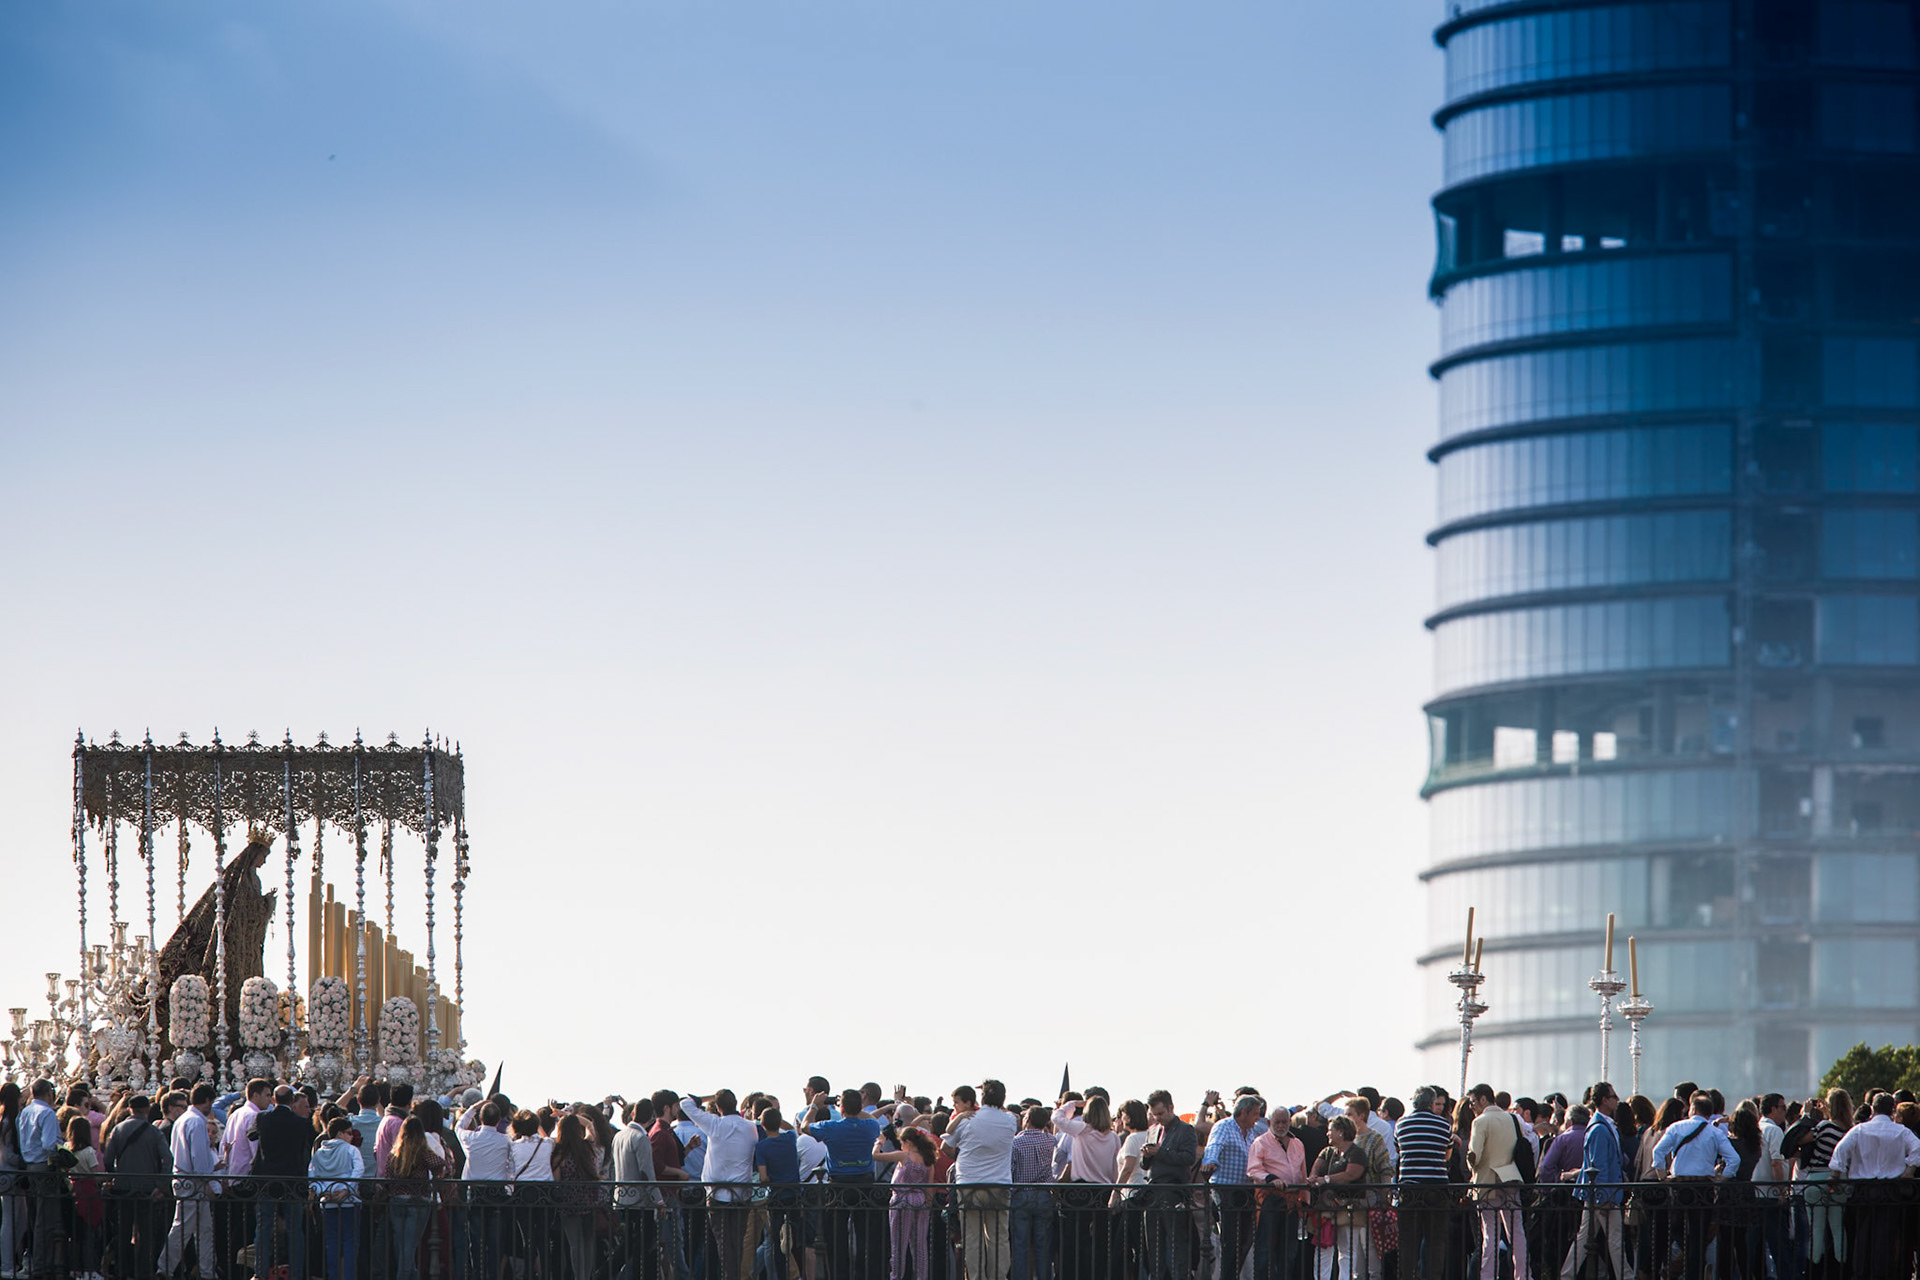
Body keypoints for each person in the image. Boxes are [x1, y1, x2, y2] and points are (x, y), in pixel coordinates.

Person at [1829, 1091, 1920, 1280]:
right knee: (1886, 1236)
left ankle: (1863, 1272)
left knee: (1863, 1235)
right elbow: (1918, 1147)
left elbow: (1840, 1150)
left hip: (1864, 1189)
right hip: (1891, 1190)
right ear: (1893, 1110)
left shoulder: (1859, 1130)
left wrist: (1835, 1174)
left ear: (1872, 1108)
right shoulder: (1901, 1131)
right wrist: (1909, 1170)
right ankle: (1884, 1272)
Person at [1650, 1091, 1738, 1280]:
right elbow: (1734, 1159)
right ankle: (1695, 1269)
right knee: (1699, 1232)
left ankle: (1688, 1262)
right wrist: (1721, 1179)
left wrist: (1661, 1175)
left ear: (1693, 1109)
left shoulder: (1677, 1127)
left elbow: (1658, 1151)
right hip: (1704, 1187)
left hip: (1680, 1185)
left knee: (1676, 1228)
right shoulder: (1714, 1132)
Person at [680, 1090, 758, 1280]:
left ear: (718, 1107)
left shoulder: (715, 1124)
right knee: (737, 1241)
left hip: (717, 1194)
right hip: (742, 1194)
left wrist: (707, 1097)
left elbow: (685, 1104)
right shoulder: (750, 1127)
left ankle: (729, 1276)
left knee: (723, 1242)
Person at [808, 1088, 886, 1280]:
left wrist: (814, 1106)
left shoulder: (831, 1127)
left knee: (837, 1237)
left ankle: (839, 1275)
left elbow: (804, 1126)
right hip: (864, 1184)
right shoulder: (869, 1126)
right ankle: (863, 1275)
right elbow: (872, 1120)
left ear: (841, 1107)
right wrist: (855, 1109)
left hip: (838, 1185)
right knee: (864, 1235)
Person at [943, 1080, 1018, 1280]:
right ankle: (998, 1277)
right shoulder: (1010, 1120)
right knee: (998, 1237)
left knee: (972, 1237)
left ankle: (976, 1277)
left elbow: (947, 1143)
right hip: (999, 1183)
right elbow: (1013, 1115)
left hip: (968, 1182)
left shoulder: (967, 1120)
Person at [102, 1094, 171, 1280]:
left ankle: (123, 1271)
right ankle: (143, 1272)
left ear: (130, 1109)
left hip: (123, 1188)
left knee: (123, 1231)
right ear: (147, 1110)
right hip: (146, 1188)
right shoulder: (153, 1132)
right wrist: (161, 1184)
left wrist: (113, 1176)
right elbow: (168, 1158)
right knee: (145, 1233)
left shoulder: (118, 1129)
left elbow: (108, 1159)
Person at [1560, 1083, 1623, 1280]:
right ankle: (1626, 1276)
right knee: (1615, 1239)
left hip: (1598, 1193)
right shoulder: (1600, 1128)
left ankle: (1567, 1275)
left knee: (1584, 1238)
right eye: (1614, 1096)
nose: (1617, 1099)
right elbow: (1598, 1166)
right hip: (1604, 1194)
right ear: (1605, 1100)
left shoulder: (1601, 1125)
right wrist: (1603, 1197)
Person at [1053, 1095, 1120, 1280]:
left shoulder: (1082, 1130)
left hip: (1080, 1190)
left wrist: (1071, 1105)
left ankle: (1072, 1275)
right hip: (1103, 1190)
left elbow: (1056, 1118)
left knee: (1074, 1239)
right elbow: (1114, 1167)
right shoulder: (1114, 1137)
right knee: (1099, 1240)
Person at [1464, 1084, 1525, 1280]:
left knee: (1490, 1233)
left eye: (1472, 1102)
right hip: (1511, 1176)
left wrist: (1470, 1165)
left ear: (1483, 1100)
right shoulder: (1512, 1118)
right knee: (1516, 1231)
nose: (1471, 1106)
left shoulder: (1480, 1121)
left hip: (1487, 1181)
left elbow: (1476, 1155)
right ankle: (1523, 1275)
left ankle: (1488, 1276)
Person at [160, 1083, 220, 1280]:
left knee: (202, 1229)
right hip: (193, 1182)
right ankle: (165, 1268)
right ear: (208, 1101)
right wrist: (206, 1181)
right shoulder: (196, 1122)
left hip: (184, 1179)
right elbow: (199, 1158)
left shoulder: (183, 1119)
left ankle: (206, 1271)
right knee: (183, 1229)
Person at [250, 1086, 311, 1280]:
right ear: (292, 1102)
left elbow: (251, 1135)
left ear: (274, 1100)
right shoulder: (301, 1123)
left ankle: (260, 1272)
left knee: (263, 1228)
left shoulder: (263, 1119)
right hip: (292, 1181)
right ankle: (297, 1273)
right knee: (295, 1230)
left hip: (267, 1181)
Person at [1393, 1087, 1453, 1280]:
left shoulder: (1401, 1124)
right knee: (1435, 1241)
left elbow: (1399, 1151)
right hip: (1437, 1187)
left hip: (1409, 1188)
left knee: (1408, 1240)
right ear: (1431, 1103)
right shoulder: (1444, 1124)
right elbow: (1447, 1154)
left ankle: (1407, 1276)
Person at [1139, 1089, 1197, 1280]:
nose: (1158, 1118)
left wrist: (1160, 1152)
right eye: (1154, 1114)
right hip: (1153, 1191)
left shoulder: (1186, 1130)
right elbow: (1144, 1164)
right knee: (1153, 1244)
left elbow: (1188, 1158)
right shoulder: (1153, 1130)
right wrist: (1146, 1156)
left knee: (1176, 1243)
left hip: (1173, 1191)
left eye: (1161, 1113)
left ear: (1171, 1108)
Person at [1203, 1095, 1262, 1280]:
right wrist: (1210, 1162)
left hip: (1246, 1192)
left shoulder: (1252, 1133)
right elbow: (1214, 1146)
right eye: (1254, 1114)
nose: (1257, 1119)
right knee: (1230, 1239)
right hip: (1226, 1189)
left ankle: (1232, 1275)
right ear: (1243, 1112)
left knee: (1245, 1239)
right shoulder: (1224, 1126)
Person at [1248, 1104, 1307, 1280]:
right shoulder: (1260, 1142)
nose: (1281, 1125)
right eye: (1277, 1122)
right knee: (1266, 1247)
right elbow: (1253, 1169)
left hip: (1293, 1201)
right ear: (1269, 1122)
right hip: (1271, 1199)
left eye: (1284, 1122)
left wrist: (1305, 1199)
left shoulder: (1297, 1144)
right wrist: (1271, 1179)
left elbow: (1302, 1172)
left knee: (1289, 1249)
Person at [1307, 1115, 1369, 1280]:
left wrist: (1326, 1180)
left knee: (1347, 1250)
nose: (1327, 1133)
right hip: (1328, 1207)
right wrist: (1314, 1177)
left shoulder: (1357, 1153)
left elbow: (1351, 1174)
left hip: (1350, 1207)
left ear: (1341, 1132)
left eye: (1330, 1130)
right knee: (1323, 1248)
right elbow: (1316, 1169)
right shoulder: (1327, 1152)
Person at [873, 1123, 936, 1280]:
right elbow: (930, 1186)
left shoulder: (904, 1156)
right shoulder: (928, 1160)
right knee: (919, 1245)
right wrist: (927, 1204)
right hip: (920, 1202)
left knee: (898, 1245)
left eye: (901, 1143)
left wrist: (879, 1142)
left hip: (901, 1201)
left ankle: (896, 1276)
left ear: (908, 1142)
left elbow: (875, 1156)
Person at [388, 1116, 448, 1280]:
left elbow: (387, 1174)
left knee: (401, 1245)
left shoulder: (395, 1153)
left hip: (397, 1201)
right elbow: (440, 1162)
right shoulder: (422, 1153)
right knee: (409, 1247)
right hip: (418, 1201)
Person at [309, 1116, 364, 1280]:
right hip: (349, 1201)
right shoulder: (351, 1150)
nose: (351, 1136)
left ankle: (333, 1276)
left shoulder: (319, 1152)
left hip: (327, 1202)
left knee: (331, 1242)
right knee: (350, 1242)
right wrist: (347, 1189)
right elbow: (358, 1170)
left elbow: (312, 1176)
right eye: (349, 1133)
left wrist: (322, 1192)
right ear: (340, 1133)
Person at [550, 1114, 603, 1280]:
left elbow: (556, 1180)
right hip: (589, 1200)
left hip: (569, 1203)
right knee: (588, 1243)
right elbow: (590, 1125)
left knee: (575, 1244)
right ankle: (586, 1276)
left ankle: (578, 1276)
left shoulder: (559, 1152)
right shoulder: (587, 1147)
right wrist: (571, 1115)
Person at [1006, 1106, 1054, 1280]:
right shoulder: (1051, 1140)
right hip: (1043, 1194)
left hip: (1021, 1194)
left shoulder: (1015, 1142)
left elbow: (1010, 1170)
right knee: (1043, 1244)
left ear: (1027, 1120)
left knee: (1020, 1244)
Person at [66, 1114, 105, 1280]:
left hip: (73, 1190)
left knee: (76, 1233)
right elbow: (96, 1174)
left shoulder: (67, 1148)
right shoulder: (89, 1152)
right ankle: (90, 1269)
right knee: (90, 1232)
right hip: (89, 1191)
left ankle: (75, 1269)